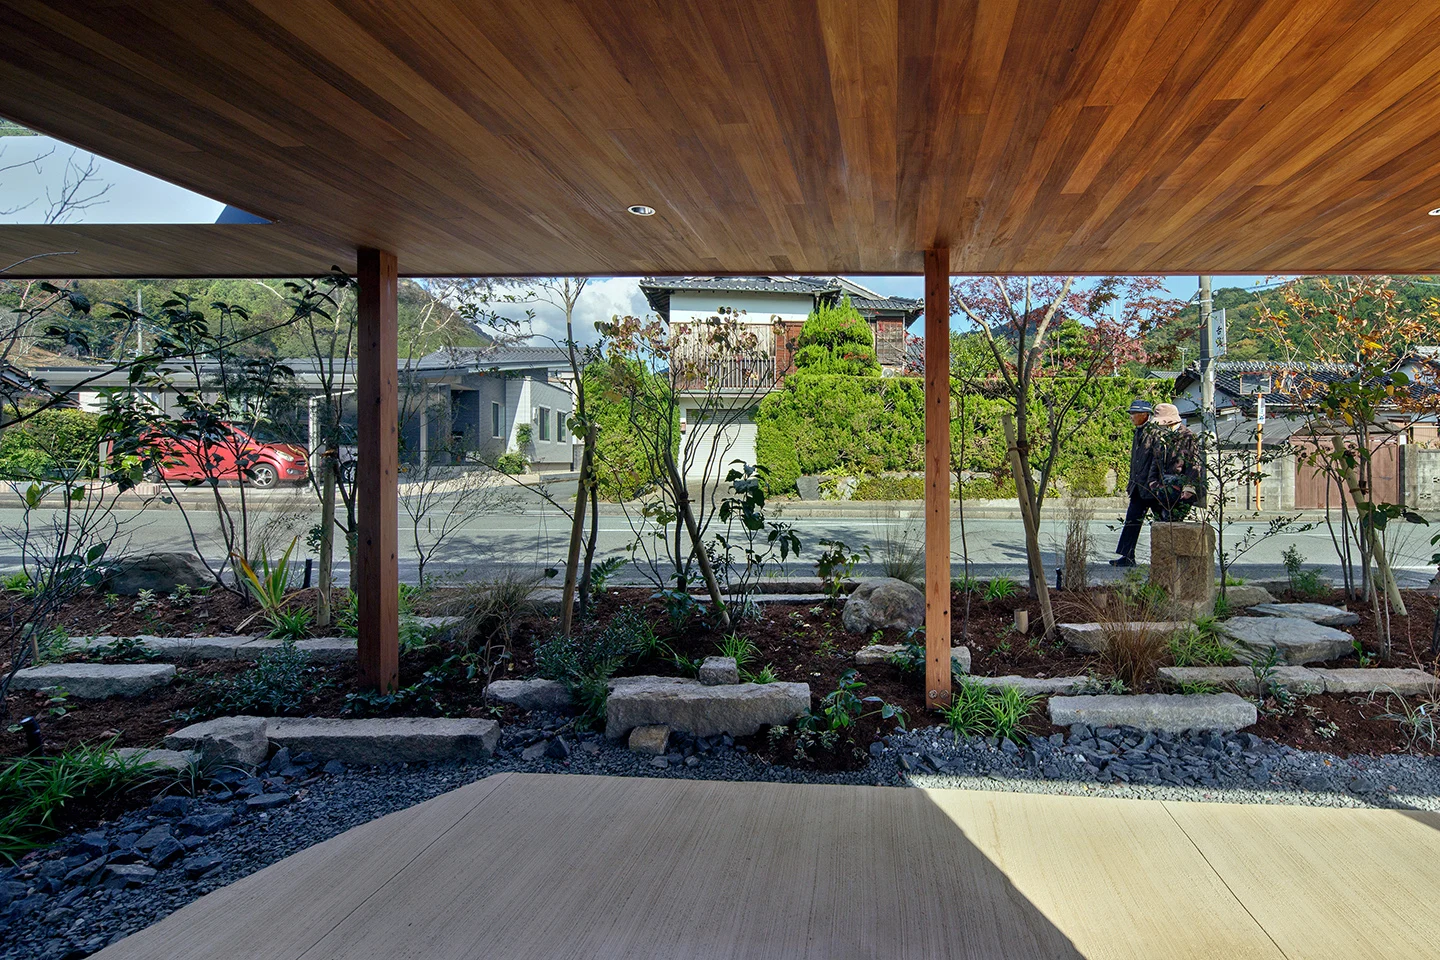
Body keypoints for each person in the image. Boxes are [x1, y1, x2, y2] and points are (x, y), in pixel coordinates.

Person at [1110, 398, 1158, 567]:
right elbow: (1135, 462)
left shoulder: (1154, 433)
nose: (1131, 417)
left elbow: (1156, 460)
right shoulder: (1138, 432)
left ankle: (1163, 559)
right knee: (1131, 521)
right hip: (1138, 486)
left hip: (1151, 487)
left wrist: (1153, 482)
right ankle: (1127, 556)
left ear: (1144, 415)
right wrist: (1132, 483)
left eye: (1134, 413)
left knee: (1162, 524)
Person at [1144, 402, 1204, 521]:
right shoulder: (1162, 437)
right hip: (1162, 488)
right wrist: (1152, 482)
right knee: (1161, 524)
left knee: (1174, 523)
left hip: (1180, 489)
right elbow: (1156, 461)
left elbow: (1194, 464)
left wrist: (1188, 487)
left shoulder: (1188, 437)